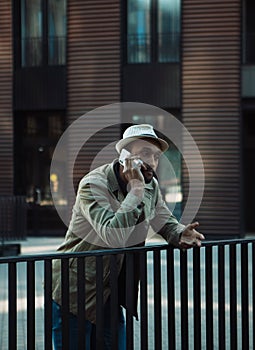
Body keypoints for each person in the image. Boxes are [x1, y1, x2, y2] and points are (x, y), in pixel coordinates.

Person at [51, 124, 205, 349]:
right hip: (76, 291)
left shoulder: (150, 185)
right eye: (145, 154)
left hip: (111, 291)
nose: (152, 162)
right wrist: (135, 191)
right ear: (125, 157)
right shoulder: (94, 184)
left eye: (156, 156)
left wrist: (179, 233)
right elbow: (113, 237)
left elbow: (162, 218)